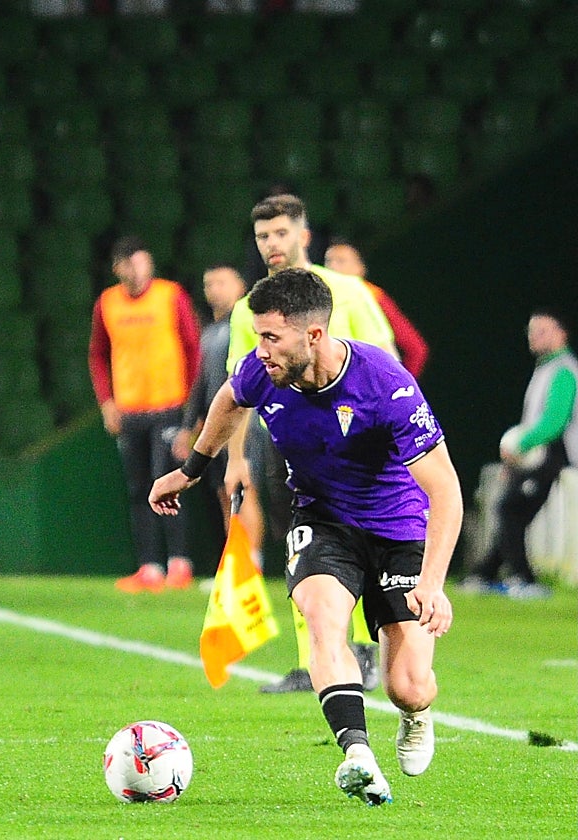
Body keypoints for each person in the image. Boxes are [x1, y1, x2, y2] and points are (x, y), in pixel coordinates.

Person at [151, 267, 462, 805]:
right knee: (322, 618)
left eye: (271, 337)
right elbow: (228, 399)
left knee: (408, 686)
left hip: (398, 529)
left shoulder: (383, 383)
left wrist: (431, 584)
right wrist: (193, 469)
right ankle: (358, 754)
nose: (260, 350)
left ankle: (416, 714)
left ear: (313, 335)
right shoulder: (263, 370)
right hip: (322, 521)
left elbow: (447, 491)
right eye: (258, 336)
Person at [227, 194, 395, 694]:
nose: (272, 244)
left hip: (354, 441)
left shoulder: (346, 291)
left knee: (360, 539)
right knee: (299, 543)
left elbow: (387, 358)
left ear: (304, 235)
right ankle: (312, 660)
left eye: (281, 232)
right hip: (285, 444)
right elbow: (237, 390)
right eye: (263, 236)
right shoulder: (248, 309)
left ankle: (362, 649)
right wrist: (235, 458)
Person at [89, 235, 202, 592]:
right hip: (130, 411)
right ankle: (149, 567)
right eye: (129, 264)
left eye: (141, 262)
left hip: (169, 406)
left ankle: (179, 563)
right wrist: (107, 402)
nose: (137, 270)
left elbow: (193, 348)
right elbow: (97, 354)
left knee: (167, 483)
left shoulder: (171, 295)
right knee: (138, 489)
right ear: (117, 268)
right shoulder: (107, 303)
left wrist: (193, 407)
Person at [464, 310, 577, 598]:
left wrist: (519, 445)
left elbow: (555, 421)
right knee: (509, 511)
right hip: (536, 455)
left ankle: (523, 579)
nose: (534, 336)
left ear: (562, 333)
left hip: (551, 454)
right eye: (531, 330)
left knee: (510, 511)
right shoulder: (545, 368)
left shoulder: (563, 369)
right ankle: (485, 574)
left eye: (543, 330)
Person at [176, 264, 263, 556]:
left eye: (221, 282)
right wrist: (190, 425)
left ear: (240, 285)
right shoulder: (210, 332)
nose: (214, 290)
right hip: (218, 424)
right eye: (209, 284)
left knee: (244, 489)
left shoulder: (247, 323)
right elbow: (202, 383)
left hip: (244, 422)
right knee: (225, 494)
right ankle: (235, 564)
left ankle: (254, 561)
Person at [324, 239, 429, 379]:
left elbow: (415, 348)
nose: (332, 267)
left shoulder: (372, 295)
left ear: (360, 268)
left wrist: (402, 385)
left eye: (341, 261)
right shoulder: (320, 296)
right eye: (328, 261)